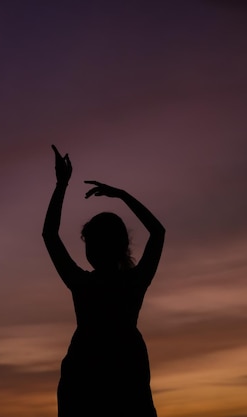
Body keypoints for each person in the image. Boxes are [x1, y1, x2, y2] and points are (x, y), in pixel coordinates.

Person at [42, 145, 165, 417]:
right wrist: (122, 196)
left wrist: (61, 185)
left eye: (93, 242)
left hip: (86, 374)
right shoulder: (133, 283)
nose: (90, 249)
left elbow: (49, 235)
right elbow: (158, 232)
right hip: (113, 372)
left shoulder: (83, 284)